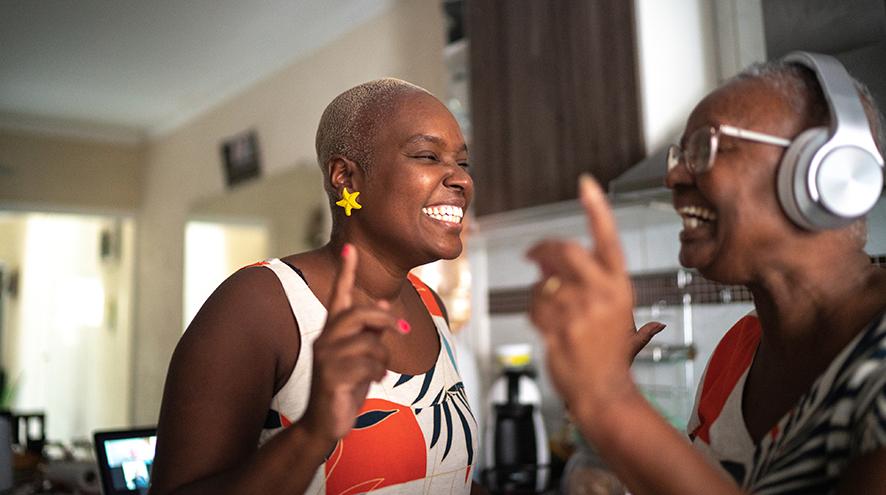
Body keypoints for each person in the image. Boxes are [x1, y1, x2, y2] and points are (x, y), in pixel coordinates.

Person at [526, 53, 886, 494]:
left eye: (704, 147)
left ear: (825, 171)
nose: (673, 177)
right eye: (679, 155)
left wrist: (610, 399)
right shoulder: (738, 350)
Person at [149, 78, 481, 494]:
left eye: (463, 163)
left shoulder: (430, 305)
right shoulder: (258, 304)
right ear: (346, 176)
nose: (462, 180)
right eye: (428, 156)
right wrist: (313, 431)